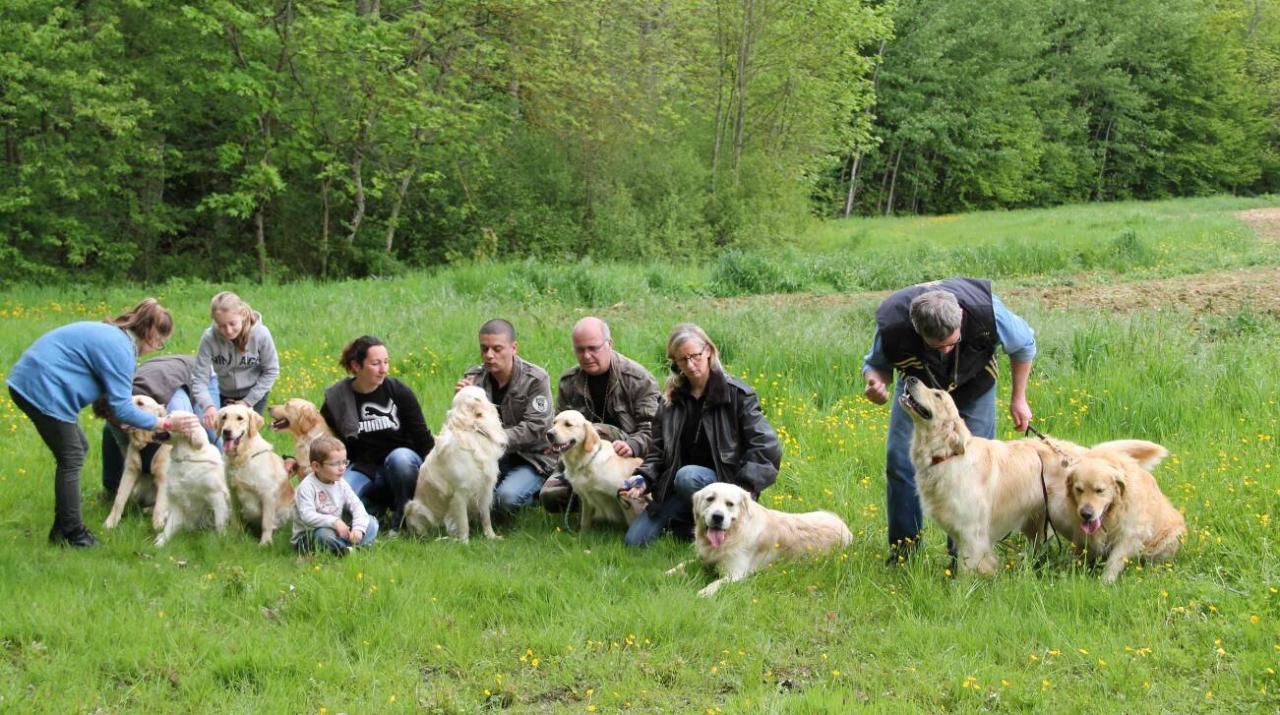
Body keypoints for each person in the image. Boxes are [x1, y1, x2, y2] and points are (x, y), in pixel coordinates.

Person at [861, 278, 1036, 564]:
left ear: (961, 319)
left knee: (974, 465)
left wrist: (1019, 397)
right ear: (916, 329)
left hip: (976, 383)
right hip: (920, 391)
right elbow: (876, 365)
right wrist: (875, 384)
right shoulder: (893, 322)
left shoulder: (987, 311)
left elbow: (1024, 345)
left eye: (951, 343)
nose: (945, 351)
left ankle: (965, 554)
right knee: (900, 461)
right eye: (935, 346)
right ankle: (904, 550)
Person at [6, 298, 199, 547]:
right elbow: (122, 406)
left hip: (30, 380)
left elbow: (110, 401)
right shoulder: (121, 349)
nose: (156, 349)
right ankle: (74, 534)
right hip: (42, 389)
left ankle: (61, 529)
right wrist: (164, 424)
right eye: (160, 344)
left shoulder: (114, 336)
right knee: (72, 456)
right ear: (151, 335)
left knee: (77, 449)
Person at [621, 323, 781, 547]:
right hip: (677, 489)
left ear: (708, 351)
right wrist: (643, 478)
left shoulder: (736, 395)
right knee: (635, 542)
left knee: (688, 476)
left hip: (722, 488)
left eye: (694, 356)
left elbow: (767, 446)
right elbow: (658, 450)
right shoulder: (670, 400)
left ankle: (721, 523)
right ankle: (693, 523)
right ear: (675, 362)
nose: (690, 364)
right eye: (682, 359)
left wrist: (743, 489)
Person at [539, 316, 661, 512]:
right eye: (580, 349)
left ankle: (622, 494)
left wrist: (632, 445)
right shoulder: (568, 381)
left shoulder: (639, 379)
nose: (586, 356)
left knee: (594, 431)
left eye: (593, 348)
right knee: (550, 498)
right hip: (581, 460)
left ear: (609, 344)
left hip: (624, 457)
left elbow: (654, 430)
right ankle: (596, 499)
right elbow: (561, 430)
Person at [321, 335, 434, 531]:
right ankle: (375, 512)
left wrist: (436, 475)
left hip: (403, 465)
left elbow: (422, 437)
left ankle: (403, 515)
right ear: (356, 366)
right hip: (364, 468)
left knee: (400, 459)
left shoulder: (398, 391)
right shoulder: (337, 399)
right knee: (342, 503)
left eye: (386, 362)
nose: (384, 369)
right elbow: (327, 443)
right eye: (376, 363)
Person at [455, 319, 555, 514]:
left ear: (513, 348)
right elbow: (464, 427)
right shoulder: (474, 378)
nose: (489, 356)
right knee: (468, 498)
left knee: (504, 500)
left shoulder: (536, 379)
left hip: (532, 459)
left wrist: (491, 438)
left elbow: (536, 427)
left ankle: (534, 492)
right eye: (484, 349)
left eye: (497, 349)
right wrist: (461, 400)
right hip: (490, 457)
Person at [97, 354, 218, 499]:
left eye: (123, 421)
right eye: (114, 421)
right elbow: (126, 449)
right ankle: (111, 490)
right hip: (158, 368)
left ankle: (218, 486)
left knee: (207, 429)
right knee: (109, 431)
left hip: (199, 374)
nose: (122, 427)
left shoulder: (173, 406)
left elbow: (186, 437)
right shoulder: (115, 409)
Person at [193, 291, 280, 434]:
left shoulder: (261, 334)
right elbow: (199, 379)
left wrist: (247, 402)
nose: (228, 330)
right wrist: (208, 406)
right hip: (224, 393)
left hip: (254, 393)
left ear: (243, 314)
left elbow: (271, 370)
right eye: (221, 325)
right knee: (223, 436)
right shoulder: (209, 338)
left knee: (248, 437)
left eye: (232, 323)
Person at [291, 435, 377, 555]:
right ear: (316, 466)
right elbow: (307, 516)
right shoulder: (307, 487)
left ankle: (348, 549)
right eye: (335, 464)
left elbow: (356, 505)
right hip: (310, 535)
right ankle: (353, 550)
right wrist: (335, 522)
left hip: (338, 531)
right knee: (323, 535)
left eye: (344, 462)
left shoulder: (341, 483)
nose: (342, 468)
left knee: (371, 521)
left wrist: (358, 528)